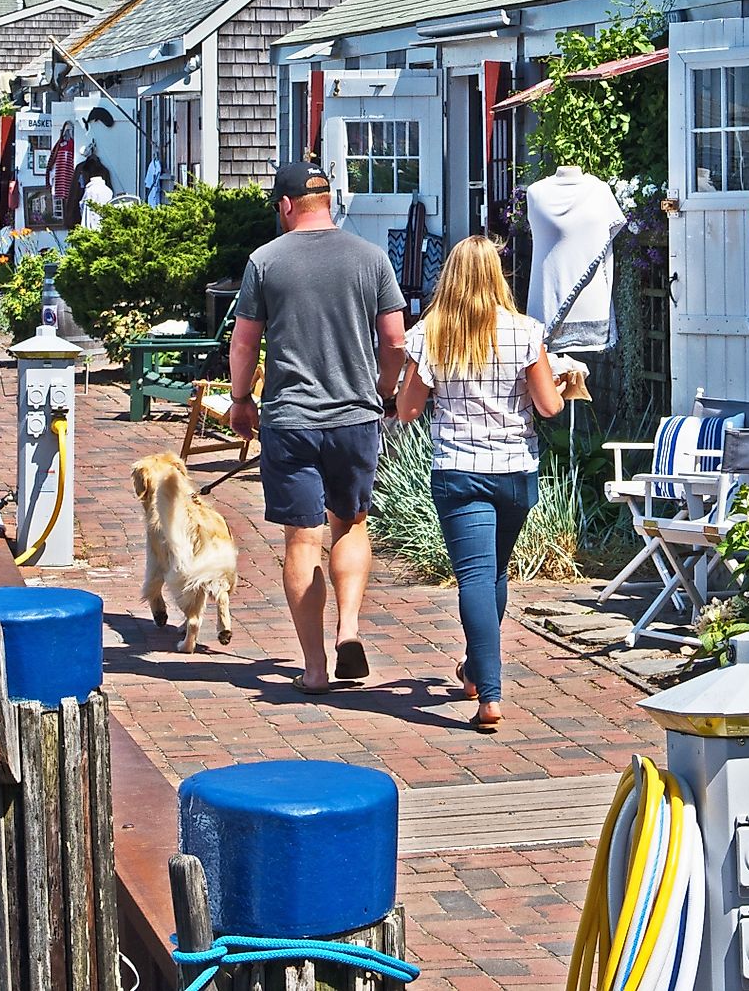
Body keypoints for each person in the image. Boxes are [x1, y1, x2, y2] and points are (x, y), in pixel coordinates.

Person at [227, 162, 405, 695]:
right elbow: (395, 341)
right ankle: (349, 628)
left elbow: (244, 343)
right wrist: (384, 393)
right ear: (328, 200)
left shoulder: (265, 262)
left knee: (302, 540)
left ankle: (313, 666)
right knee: (349, 524)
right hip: (354, 416)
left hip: (291, 418)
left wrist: (240, 400)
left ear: (285, 206)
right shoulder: (370, 258)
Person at [392, 235, 566, 732]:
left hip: (459, 469)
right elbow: (550, 406)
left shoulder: (430, 333)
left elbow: (407, 410)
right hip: (514, 470)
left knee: (475, 576)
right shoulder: (525, 332)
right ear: (496, 275)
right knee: (494, 574)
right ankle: (475, 672)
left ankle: (489, 694)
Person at [79, 159, 115, 230]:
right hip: (105, 228)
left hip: (92, 229)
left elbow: (87, 215)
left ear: (87, 174)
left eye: (82, 174)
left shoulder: (90, 191)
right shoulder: (108, 190)